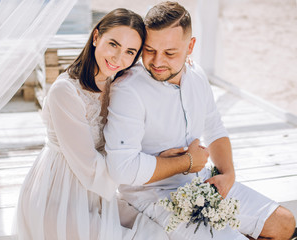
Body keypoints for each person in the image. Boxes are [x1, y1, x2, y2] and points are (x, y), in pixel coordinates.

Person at [104, 2, 296, 240]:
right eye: (150, 50)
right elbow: (122, 169)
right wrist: (187, 162)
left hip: (203, 181)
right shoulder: (128, 89)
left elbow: (214, 128)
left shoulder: (197, 75)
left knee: (285, 224)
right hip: (154, 195)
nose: (157, 61)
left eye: (170, 53)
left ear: (190, 46)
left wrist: (228, 174)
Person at [15, 8, 168, 240]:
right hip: (59, 193)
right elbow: (91, 167)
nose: (118, 58)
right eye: (113, 44)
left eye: (130, 51)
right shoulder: (65, 91)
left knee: (159, 227)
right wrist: (158, 167)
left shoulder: (120, 79)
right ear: (96, 37)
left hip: (99, 190)